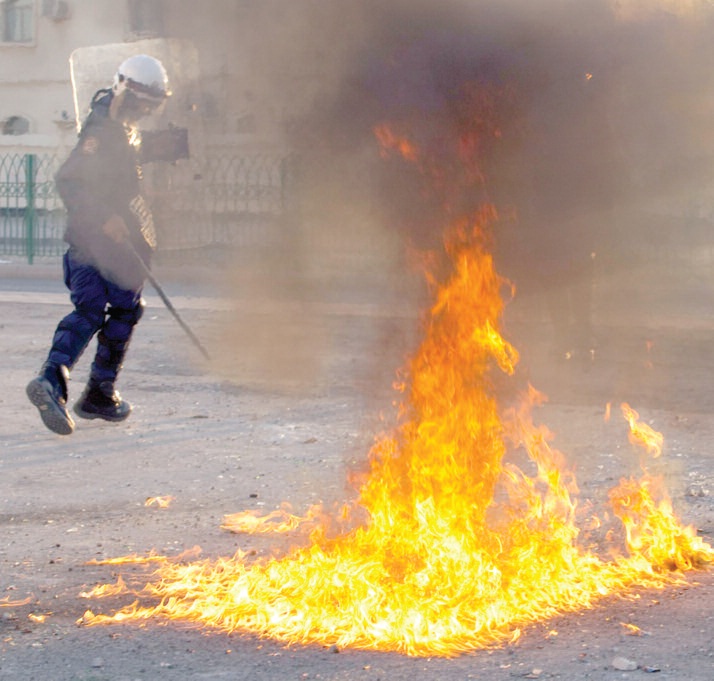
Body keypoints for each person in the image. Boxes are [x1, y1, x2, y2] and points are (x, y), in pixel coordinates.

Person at [26, 54, 170, 435]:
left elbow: (120, 175)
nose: (145, 111)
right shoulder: (100, 130)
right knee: (89, 311)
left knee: (126, 309)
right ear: (125, 90)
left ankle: (99, 394)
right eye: (142, 104)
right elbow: (70, 181)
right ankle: (51, 382)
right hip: (91, 244)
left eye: (151, 106)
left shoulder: (123, 129)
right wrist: (105, 216)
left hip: (121, 250)